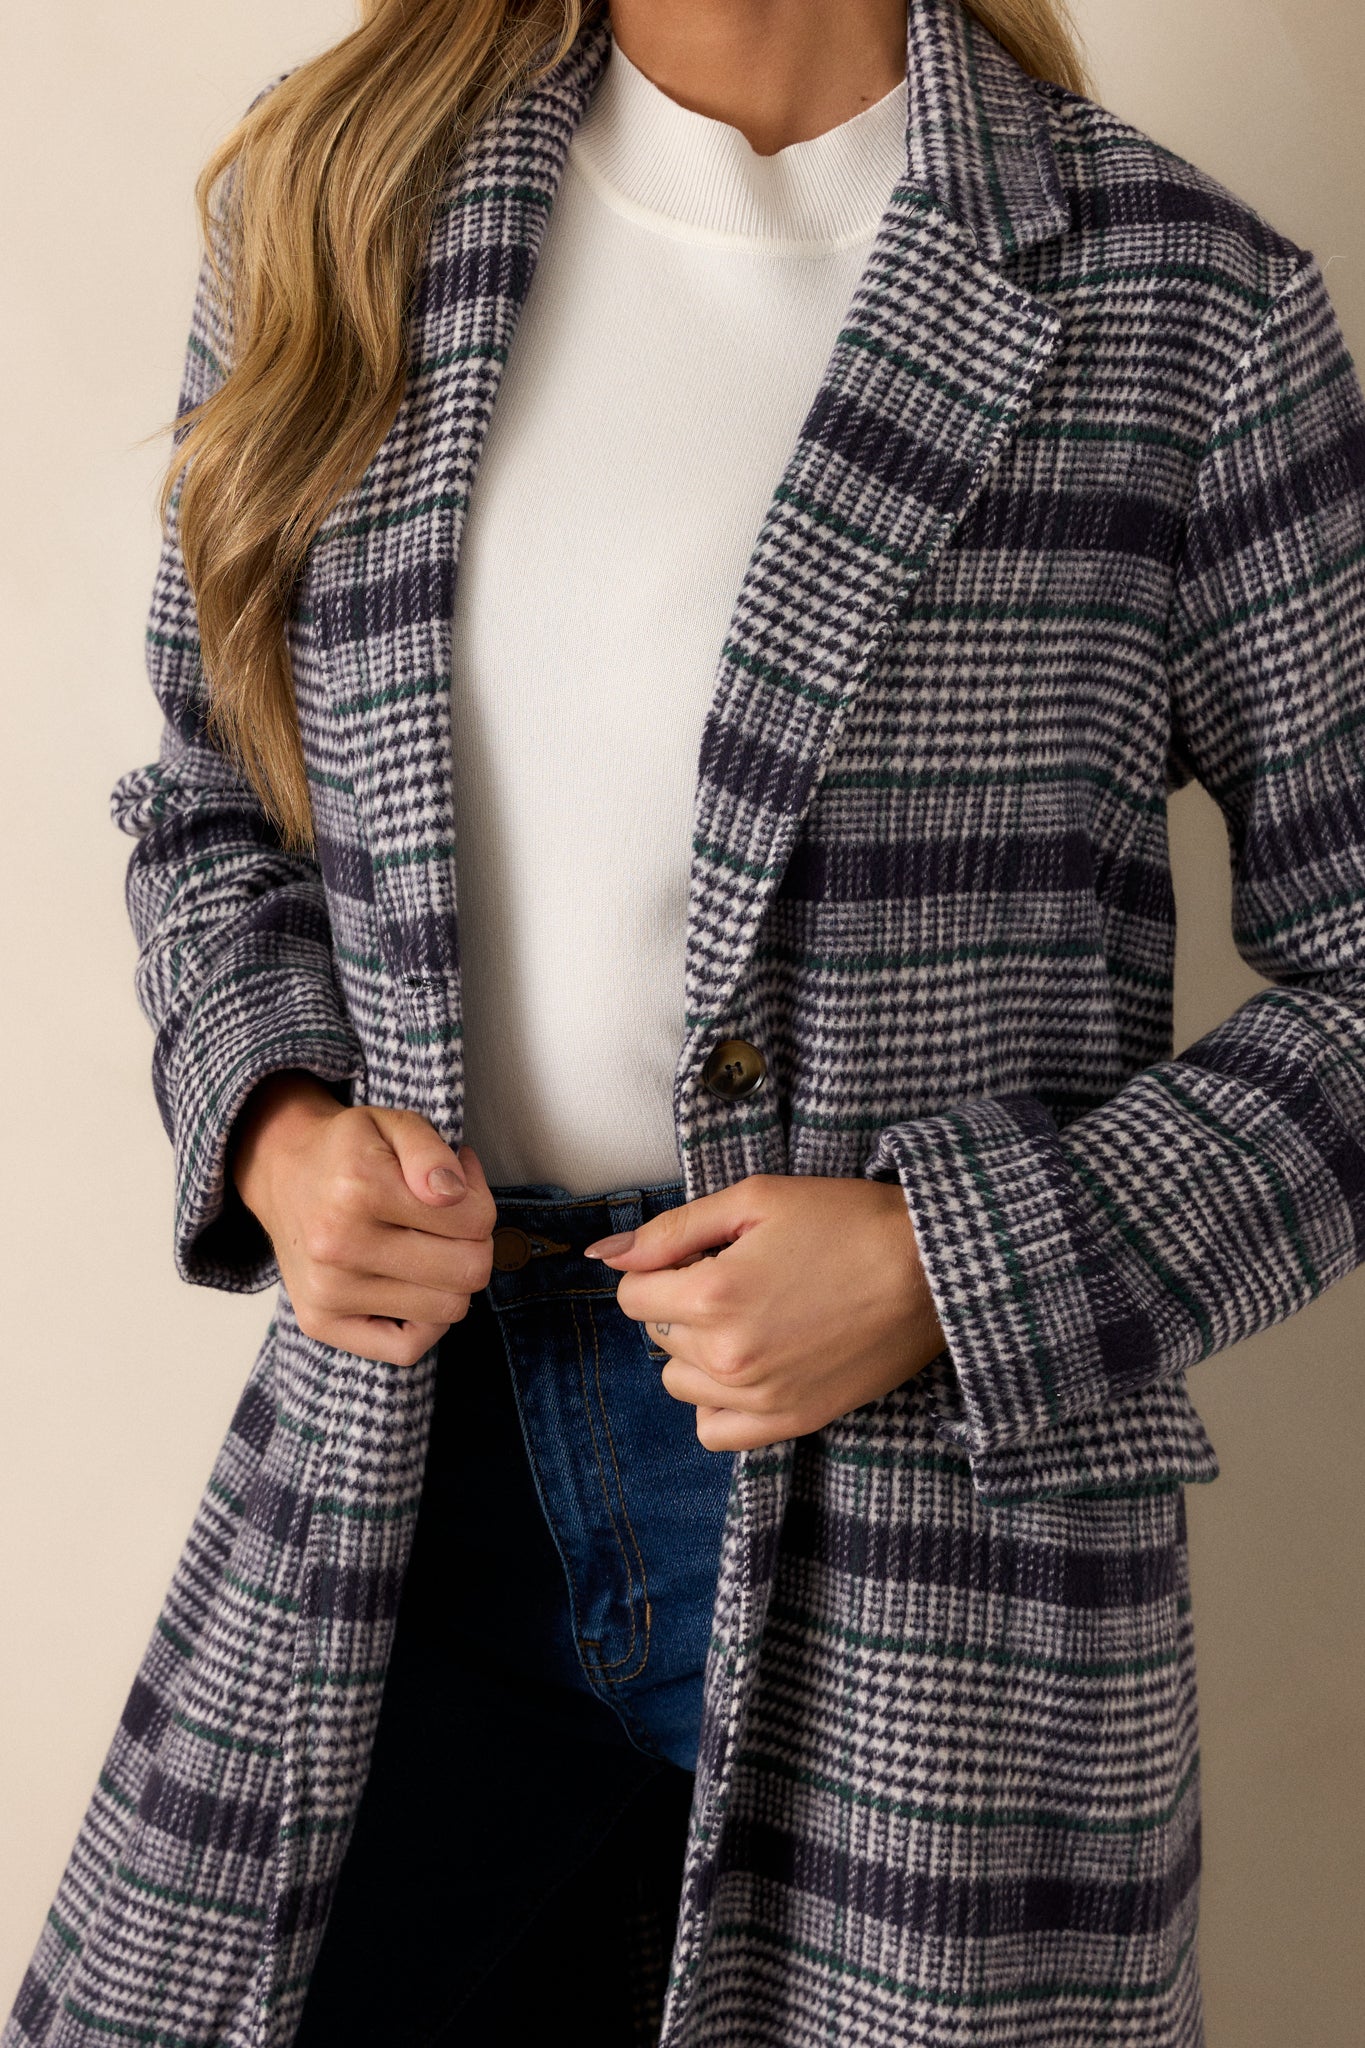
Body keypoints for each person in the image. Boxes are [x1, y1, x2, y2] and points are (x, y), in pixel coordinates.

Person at [7, 0, 1365, 2044]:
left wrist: (947, 1260)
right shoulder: (348, 200)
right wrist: (277, 1125)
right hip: (407, 1471)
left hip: (925, 1554)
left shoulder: (1181, 302)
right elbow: (216, 797)